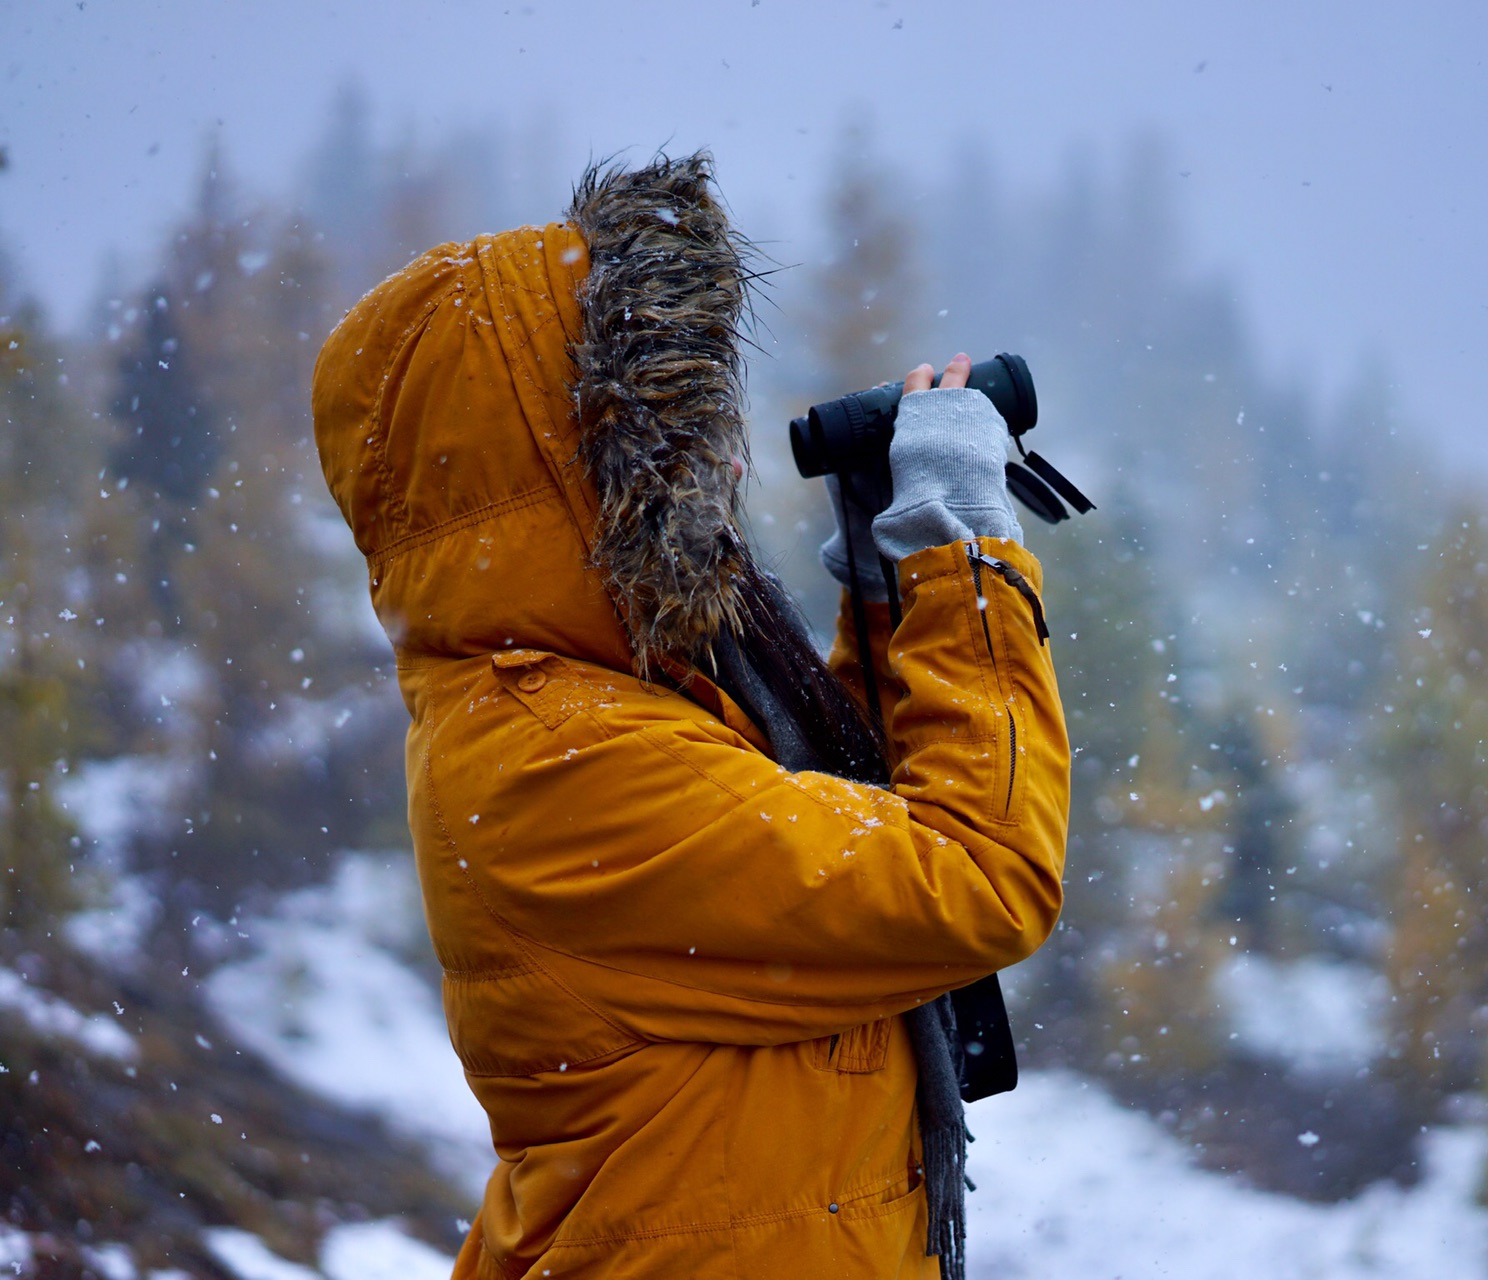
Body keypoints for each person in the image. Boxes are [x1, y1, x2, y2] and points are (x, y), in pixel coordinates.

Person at [309, 152, 1070, 1280]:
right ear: (575, 468)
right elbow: (973, 875)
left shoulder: (592, 707)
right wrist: (958, 549)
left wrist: (882, 593)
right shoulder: (562, 761)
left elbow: (831, 848)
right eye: (668, 437)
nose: (718, 460)